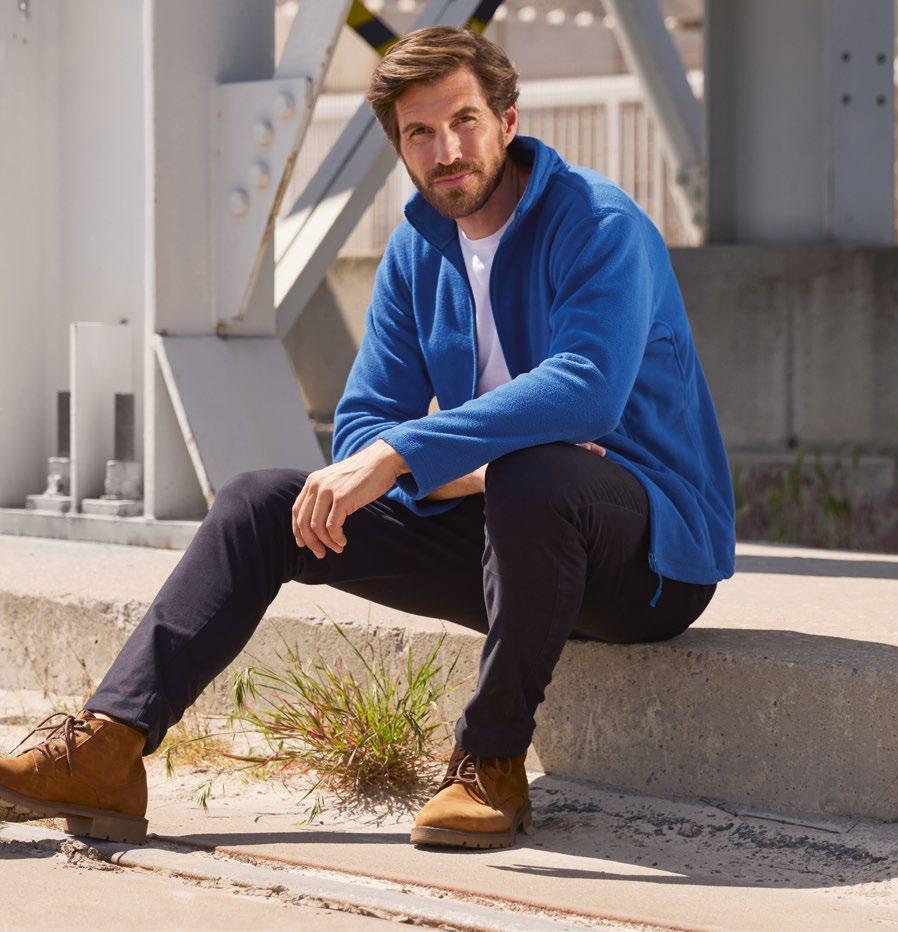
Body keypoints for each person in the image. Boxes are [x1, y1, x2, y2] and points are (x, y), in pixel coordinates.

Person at [0, 27, 735, 851]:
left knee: (537, 473)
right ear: (398, 145)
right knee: (259, 503)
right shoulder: (418, 247)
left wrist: (408, 455)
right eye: (419, 132)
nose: (445, 151)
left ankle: (489, 764)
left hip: (647, 562)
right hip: (509, 532)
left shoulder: (597, 222)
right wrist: (455, 467)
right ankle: (108, 746)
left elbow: (585, 390)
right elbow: (362, 427)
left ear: (506, 120)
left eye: (463, 121)